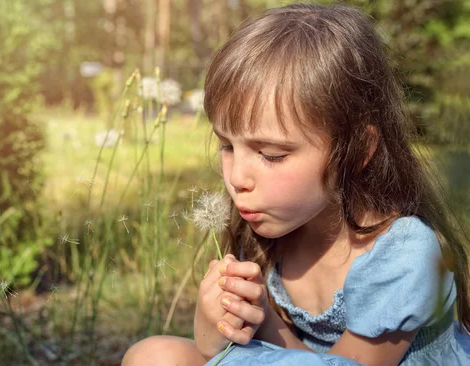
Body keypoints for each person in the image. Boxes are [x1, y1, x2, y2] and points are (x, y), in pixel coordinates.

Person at [122, 3, 470, 365]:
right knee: (154, 356)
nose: (236, 177)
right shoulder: (269, 231)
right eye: (227, 145)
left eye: (271, 154)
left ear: (357, 150)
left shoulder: (403, 256)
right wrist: (224, 326)